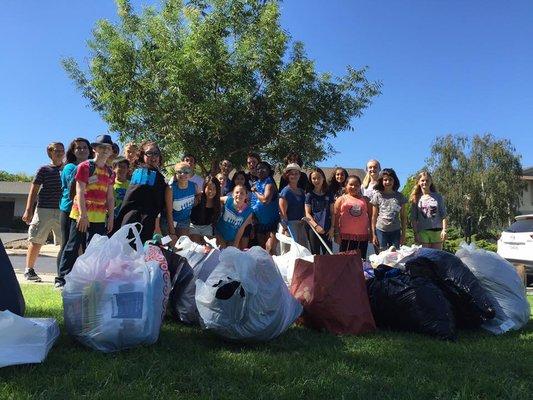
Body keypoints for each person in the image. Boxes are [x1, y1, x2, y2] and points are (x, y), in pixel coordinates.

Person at [57, 135, 115, 288]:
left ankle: (89, 279)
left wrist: (111, 218)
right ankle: (62, 279)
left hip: (99, 216)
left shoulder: (110, 172)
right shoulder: (84, 166)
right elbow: (79, 191)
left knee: (94, 248)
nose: (105, 151)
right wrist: (82, 215)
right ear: (94, 149)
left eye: (108, 148)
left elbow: (110, 197)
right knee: (73, 245)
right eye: (102, 147)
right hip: (81, 214)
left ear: (111, 152)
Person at [115, 141, 177, 244]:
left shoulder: (156, 176)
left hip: (145, 224)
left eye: (156, 153)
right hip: (135, 223)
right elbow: (137, 201)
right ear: (142, 155)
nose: (153, 156)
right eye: (149, 153)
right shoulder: (144, 173)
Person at [22, 142, 65, 282]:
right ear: (50, 153)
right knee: (36, 240)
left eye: (61, 150)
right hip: (43, 210)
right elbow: (34, 190)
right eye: (56, 150)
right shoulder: (43, 169)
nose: (59, 152)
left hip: (63, 210)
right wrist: (28, 210)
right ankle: (29, 270)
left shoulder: (68, 169)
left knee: (65, 243)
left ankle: (64, 272)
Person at [56, 138, 93, 284]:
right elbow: (75, 186)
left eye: (85, 147)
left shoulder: (93, 166)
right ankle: (60, 277)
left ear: (90, 150)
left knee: (85, 244)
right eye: (78, 148)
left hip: (87, 210)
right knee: (68, 244)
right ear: (73, 151)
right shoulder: (69, 167)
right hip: (69, 209)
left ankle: (79, 277)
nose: (82, 150)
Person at [333, 175, 371, 256]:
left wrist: (371, 232)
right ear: (346, 185)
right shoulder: (341, 199)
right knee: (344, 261)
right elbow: (335, 217)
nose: (354, 187)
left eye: (357, 185)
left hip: (362, 236)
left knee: (360, 261)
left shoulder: (365, 200)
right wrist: (336, 233)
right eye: (351, 184)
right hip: (345, 237)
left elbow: (371, 217)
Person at [370, 168, 407, 251]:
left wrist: (403, 234)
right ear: (381, 181)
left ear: (394, 181)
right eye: (385, 180)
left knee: (395, 256)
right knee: (382, 255)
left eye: (390, 180)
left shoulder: (400, 196)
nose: (388, 182)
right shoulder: (377, 195)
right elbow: (374, 216)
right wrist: (373, 234)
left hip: (395, 230)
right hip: (381, 230)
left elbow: (403, 217)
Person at [409, 171, 447, 249]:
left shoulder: (438, 197)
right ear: (419, 182)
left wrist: (444, 230)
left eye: (427, 180)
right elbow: (413, 218)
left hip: (437, 231)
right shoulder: (415, 199)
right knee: (425, 256)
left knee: (436, 256)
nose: (425, 182)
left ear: (431, 182)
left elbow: (444, 215)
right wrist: (416, 233)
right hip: (423, 232)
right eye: (422, 180)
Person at [250, 161, 279, 254]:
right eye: (258, 169)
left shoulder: (269, 183)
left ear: (268, 170)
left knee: (270, 249)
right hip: (259, 223)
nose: (260, 170)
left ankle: (274, 268)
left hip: (271, 222)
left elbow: (265, 200)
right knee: (262, 250)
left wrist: (255, 192)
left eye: (263, 168)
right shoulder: (256, 183)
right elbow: (253, 204)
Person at [279, 163, 309, 253]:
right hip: (289, 225)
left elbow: (304, 209)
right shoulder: (285, 191)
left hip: (300, 225)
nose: (294, 176)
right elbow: (282, 212)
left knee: (302, 251)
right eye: (292, 173)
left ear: (299, 175)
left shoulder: (301, 192)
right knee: (289, 252)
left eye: (296, 173)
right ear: (287, 175)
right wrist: (285, 228)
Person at [305, 168, 334, 255]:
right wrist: (316, 226)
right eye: (314, 178)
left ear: (323, 178)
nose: (316, 180)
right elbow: (307, 213)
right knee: (315, 255)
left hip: (327, 229)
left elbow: (332, 213)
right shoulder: (309, 195)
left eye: (319, 178)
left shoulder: (329, 194)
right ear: (311, 180)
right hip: (313, 230)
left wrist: (332, 228)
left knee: (328, 255)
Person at [216, 184, 254, 249]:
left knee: (232, 254)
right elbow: (214, 199)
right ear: (232, 194)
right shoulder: (227, 200)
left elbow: (241, 229)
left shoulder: (249, 211)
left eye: (242, 193)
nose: (239, 195)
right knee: (222, 250)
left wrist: (235, 244)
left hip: (232, 238)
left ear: (246, 196)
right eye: (237, 192)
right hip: (219, 233)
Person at [189, 176, 221, 244]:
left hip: (207, 227)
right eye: (209, 188)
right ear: (204, 188)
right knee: (197, 247)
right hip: (194, 226)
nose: (211, 191)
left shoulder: (217, 202)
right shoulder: (198, 198)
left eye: (214, 189)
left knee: (208, 248)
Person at [170, 161, 198, 237]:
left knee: (183, 244)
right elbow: (168, 213)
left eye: (186, 172)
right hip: (169, 221)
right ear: (176, 174)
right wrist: (172, 232)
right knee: (170, 244)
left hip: (184, 221)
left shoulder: (194, 186)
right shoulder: (171, 188)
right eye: (180, 172)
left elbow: (198, 199)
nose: (183, 174)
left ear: (190, 173)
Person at [112, 156, 130, 221]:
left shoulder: (131, 185)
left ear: (128, 169)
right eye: (119, 166)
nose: (122, 169)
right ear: (114, 168)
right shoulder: (110, 184)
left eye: (124, 167)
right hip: (112, 218)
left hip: (126, 218)